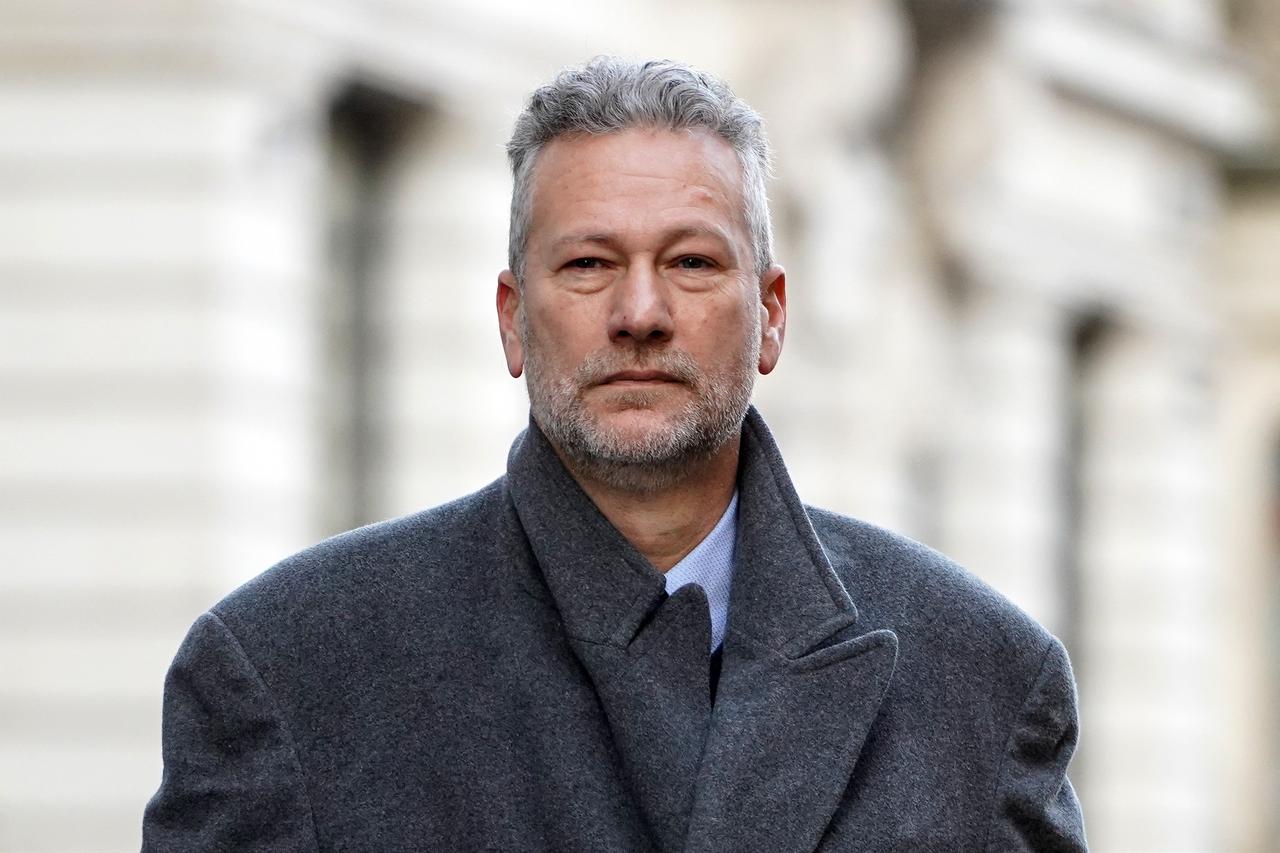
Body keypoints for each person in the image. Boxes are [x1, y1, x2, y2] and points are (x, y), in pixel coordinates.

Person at [142, 57, 1087, 852]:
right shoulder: (290, 671)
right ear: (513, 319)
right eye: (589, 264)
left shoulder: (983, 680)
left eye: (692, 263)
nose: (640, 313)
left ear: (772, 315)